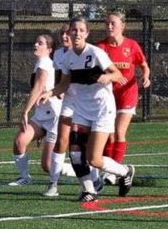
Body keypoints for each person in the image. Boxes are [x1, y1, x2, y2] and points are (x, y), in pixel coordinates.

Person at [39, 16, 135, 202]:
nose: (77, 33)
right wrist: (49, 93)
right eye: (74, 30)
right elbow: (64, 84)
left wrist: (108, 78)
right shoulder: (67, 58)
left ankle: (125, 171)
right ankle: (89, 190)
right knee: (75, 153)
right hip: (81, 110)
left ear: (87, 33)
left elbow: (116, 73)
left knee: (94, 159)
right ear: (69, 33)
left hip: (102, 109)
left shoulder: (96, 53)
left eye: (81, 30)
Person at [96, 11, 150, 183]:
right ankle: (108, 168)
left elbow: (143, 65)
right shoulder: (100, 47)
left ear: (122, 26)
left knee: (119, 132)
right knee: (108, 134)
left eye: (113, 23)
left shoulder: (131, 46)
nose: (109, 26)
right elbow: (95, 71)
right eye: (107, 24)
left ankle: (114, 172)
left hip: (127, 93)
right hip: (107, 96)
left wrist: (146, 76)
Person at [8, 33, 60, 187]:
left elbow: (37, 89)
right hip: (41, 115)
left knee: (48, 166)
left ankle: (81, 170)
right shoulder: (40, 63)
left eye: (41, 43)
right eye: (36, 42)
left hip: (54, 117)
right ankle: (24, 177)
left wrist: (25, 111)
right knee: (19, 141)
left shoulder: (45, 63)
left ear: (49, 49)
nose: (36, 45)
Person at [44, 24, 79, 197]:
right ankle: (53, 184)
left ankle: (92, 182)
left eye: (68, 33)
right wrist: (54, 92)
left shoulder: (88, 52)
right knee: (61, 142)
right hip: (69, 102)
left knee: (80, 146)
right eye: (62, 33)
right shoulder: (58, 54)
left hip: (87, 103)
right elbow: (60, 80)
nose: (65, 36)